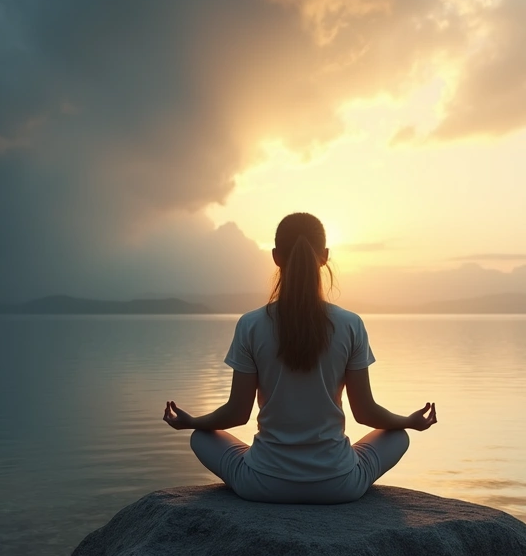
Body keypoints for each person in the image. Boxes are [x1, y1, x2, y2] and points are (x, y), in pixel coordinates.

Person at [162, 212, 437, 504]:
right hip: (340, 485)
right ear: (325, 256)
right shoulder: (350, 324)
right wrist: (408, 421)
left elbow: (237, 413)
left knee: (200, 437)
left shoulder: (251, 325)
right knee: (398, 436)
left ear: (276, 257)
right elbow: (365, 412)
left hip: (262, 484)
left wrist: (191, 421)